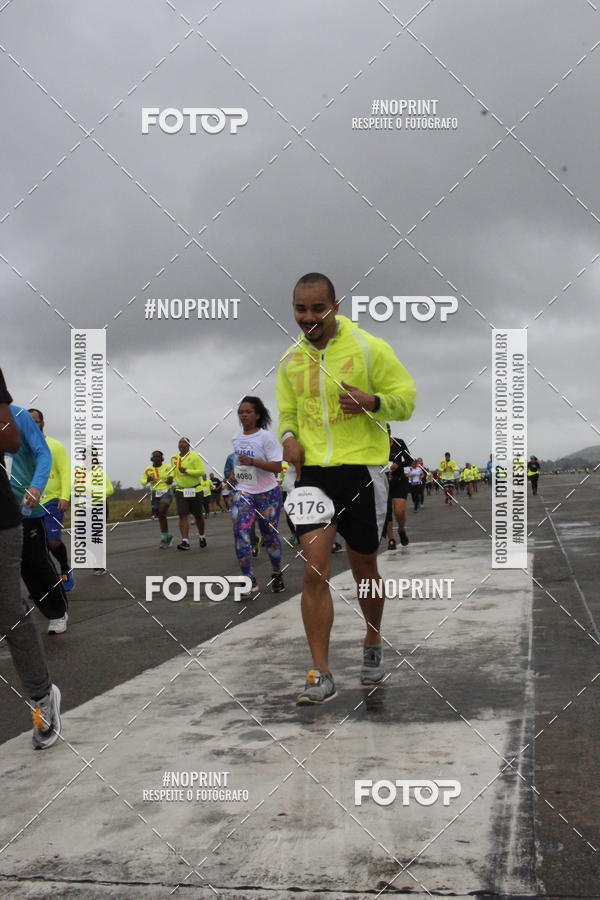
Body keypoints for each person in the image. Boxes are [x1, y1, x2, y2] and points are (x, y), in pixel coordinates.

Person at [277, 272, 416, 704]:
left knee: (364, 571)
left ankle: (372, 640)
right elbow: (287, 412)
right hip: (314, 476)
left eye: (318, 308)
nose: (309, 318)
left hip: (362, 471)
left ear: (335, 307)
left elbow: (407, 398)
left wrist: (372, 402)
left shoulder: (369, 348)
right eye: (301, 309)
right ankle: (320, 673)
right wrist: (287, 437)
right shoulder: (290, 360)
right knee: (314, 567)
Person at [0, 370, 61, 748]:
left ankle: (42, 697)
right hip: (16, 497)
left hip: (11, 512)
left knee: (9, 609)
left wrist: (39, 485)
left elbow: (14, 440)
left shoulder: (18, 416)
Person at [7, 405, 69, 634]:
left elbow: (44, 455)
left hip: (25, 505)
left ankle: (57, 612)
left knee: (32, 563)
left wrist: (36, 485)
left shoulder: (20, 417)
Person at [231, 396, 285, 597]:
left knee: (269, 536)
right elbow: (241, 464)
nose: (243, 415)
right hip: (245, 491)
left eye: (248, 412)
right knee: (241, 534)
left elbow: (278, 467)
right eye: (241, 412)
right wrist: (234, 475)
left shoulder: (266, 438)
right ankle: (248, 579)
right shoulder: (236, 438)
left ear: (258, 414)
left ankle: (277, 573)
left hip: (268, 493)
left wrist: (254, 462)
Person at [28, 409, 75, 592]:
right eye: (29, 421)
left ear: (43, 423)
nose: (33, 424)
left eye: (36, 421)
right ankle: (45, 583)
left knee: (52, 541)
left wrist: (64, 497)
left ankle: (64, 570)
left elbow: (65, 472)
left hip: (53, 501)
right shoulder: (22, 448)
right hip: (31, 503)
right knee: (36, 547)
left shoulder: (55, 446)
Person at [167, 437, 207, 550]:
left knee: (198, 516)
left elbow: (201, 471)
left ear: (189, 444)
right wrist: (170, 478)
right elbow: (173, 471)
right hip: (181, 490)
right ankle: (185, 541)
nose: (181, 444)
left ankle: (202, 536)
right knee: (182, 515)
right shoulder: (174, 458)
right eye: (180, 442)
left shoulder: (194, 456)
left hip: (195, 490)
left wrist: (187, 471)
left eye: (184, 442)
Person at [384, 431, 412, 550]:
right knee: (387, 511)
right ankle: (391, 539)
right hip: (383, 481)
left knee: (399, 512)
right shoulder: (374, 443)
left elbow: (409, 460)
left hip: (399, 480)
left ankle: (401, 529)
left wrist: (398, 464)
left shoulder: (399, 442)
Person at [140, 450, 174, 548]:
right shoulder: (148, 470)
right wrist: (148, 480)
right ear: (152, 458)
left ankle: (164, 539)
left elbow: (172, 477)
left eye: (158, 456)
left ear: (162, 458)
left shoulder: (167, 467)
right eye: (154, 456)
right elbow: (142, 482)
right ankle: (166, 536)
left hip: (166, 492)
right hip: (155, 494)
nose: (156, 458)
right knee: (160, 515)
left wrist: (170, 480)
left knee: (162, 511)